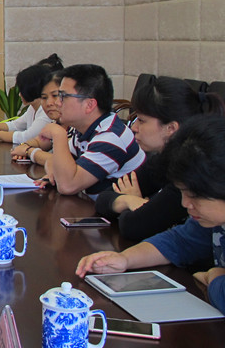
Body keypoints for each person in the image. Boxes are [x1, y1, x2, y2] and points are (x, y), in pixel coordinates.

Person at [77, 116, 225, 314]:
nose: (185, 204)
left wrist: (214, 278)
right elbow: (178, 242)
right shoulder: (211, 221)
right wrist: (125, 259)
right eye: (182, 192)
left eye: (194, 196)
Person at [94, 77, 224, 241]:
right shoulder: (161, 160)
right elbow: (103, 199)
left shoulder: (191, 172)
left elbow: (134, 227)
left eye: (142, 120)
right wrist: (129, 200)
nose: (134, 127)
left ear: (171, 128)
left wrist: (139, 206)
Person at [38, 64, 145, 197]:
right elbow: (55, 161)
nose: (57, 103)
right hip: (89, 205)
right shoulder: (85, 129)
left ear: (89, 105)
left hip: (113, 210)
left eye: (63, 96)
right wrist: (55, 173)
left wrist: (58, 135)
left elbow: (67, 186)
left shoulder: (111, 137)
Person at [0, 64, 52, 144]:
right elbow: (15, 125)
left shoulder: (45, 113)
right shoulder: (32, 108)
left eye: (21, 90)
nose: (19, 94)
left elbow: (26, 137)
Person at [10, 70, 63, 166]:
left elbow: (62, 163)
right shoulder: (57, 123)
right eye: (44, 97)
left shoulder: (79, 131)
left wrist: (28, 151)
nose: (49, 103)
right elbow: (40, 142)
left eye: (55, 96)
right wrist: (24, 147)